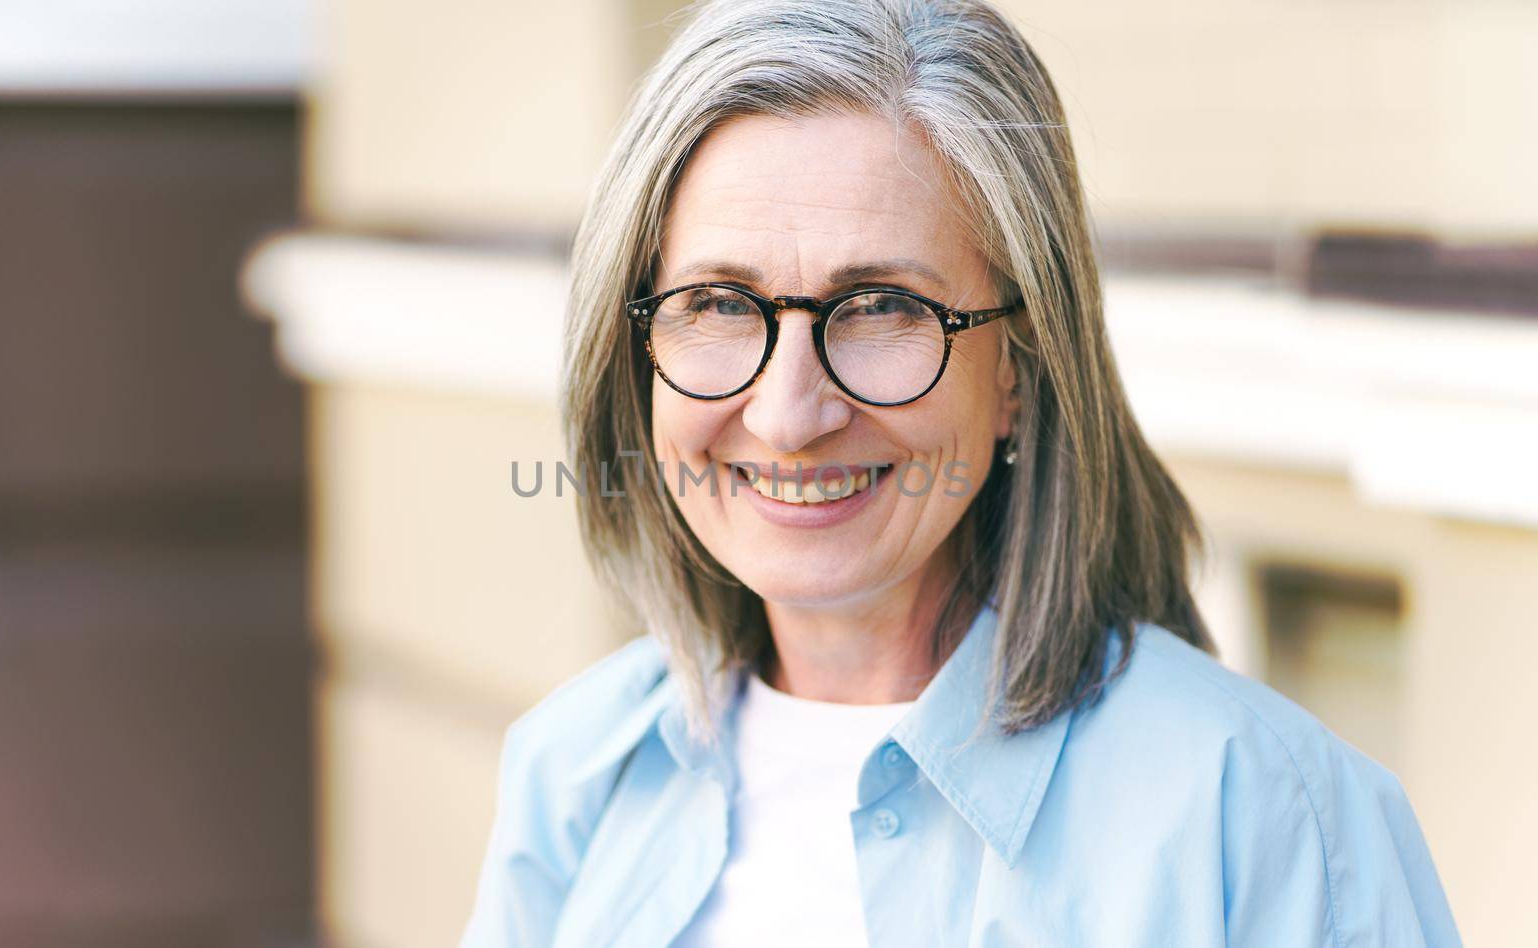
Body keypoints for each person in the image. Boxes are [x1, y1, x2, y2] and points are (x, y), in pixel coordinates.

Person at [460, 0, 1460, 944]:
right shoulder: (575, 777)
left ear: (1019, 367)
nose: (787, 414)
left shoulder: (1270, 817)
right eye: (720, 303)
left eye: (885, 307)